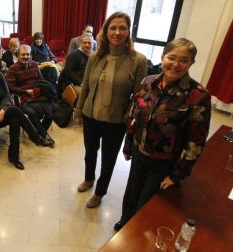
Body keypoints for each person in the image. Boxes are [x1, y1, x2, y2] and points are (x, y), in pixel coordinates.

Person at [114, 38, 211, 231]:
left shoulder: (198, 95)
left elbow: (196, 141)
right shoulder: (148, 82)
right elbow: (134, 115)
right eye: (172, 57)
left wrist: (178, 174)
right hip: (139, 153)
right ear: (162, 57)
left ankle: (136, 234)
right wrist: (128, 145)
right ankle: (126, 223)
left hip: (164, 162)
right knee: (132, 194)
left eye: (184, 60)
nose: (176, 64)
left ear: (191, 63)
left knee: (147, 203)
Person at [75, 12, 147, 208]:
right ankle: (89, 179)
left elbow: (139, 97)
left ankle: (99, 192)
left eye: (122, 28)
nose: (117, 32)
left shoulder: (138, 60)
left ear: (128, 32)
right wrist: (79, 110)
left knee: (108, 159)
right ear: (105, 32)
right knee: (90, 152)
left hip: (116, 121)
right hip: (91, 115)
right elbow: (86, 86)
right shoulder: (95, 57)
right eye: (112, 28)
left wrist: (127, 118)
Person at [0, 55, 52, 170]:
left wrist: (2, 111)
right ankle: (37, 138)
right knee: (15, 111)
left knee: (15, 121)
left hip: (3, 112)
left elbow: (7, 95)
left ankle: (15, 157)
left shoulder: (0, 77)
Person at [7, 44, 56, 147]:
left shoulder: (34, 65)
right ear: (17, 55)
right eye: (23, 54)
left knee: (52, 111)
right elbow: (11, 88)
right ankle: (43, 135)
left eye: (28, 54)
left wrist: (36, 90)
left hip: (38, 95)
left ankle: (37, 133)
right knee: (31, 112)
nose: (25, 57)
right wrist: (25, 91)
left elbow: (41, 81)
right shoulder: (12, 69)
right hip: (23, 97)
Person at [58, 33, 93, 97]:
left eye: (89, 43)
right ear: (80, 43)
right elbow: (68, 71)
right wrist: (81, 83)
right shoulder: (74, 55)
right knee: (87, 95)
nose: (87, 45)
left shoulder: (93, 55)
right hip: (72, 84)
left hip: (87, 83)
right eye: (84, 43)